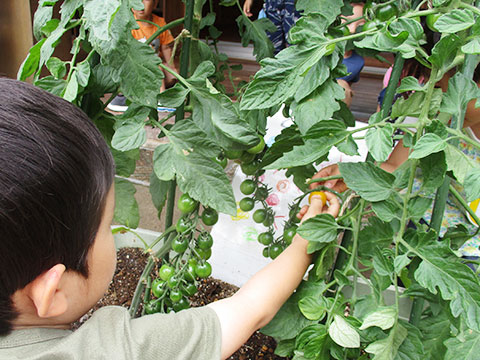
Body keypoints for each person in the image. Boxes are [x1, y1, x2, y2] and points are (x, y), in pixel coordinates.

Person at [0, 78, 340, 359]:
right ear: (53, 291)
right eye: (106, 228)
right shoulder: (115, 351)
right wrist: (305, 244)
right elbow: (248, 309)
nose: (113, 234)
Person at [310, 66, 480, 259]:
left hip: (471, 247)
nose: (448, 105)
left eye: (462, 94)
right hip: (425, 227)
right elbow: (395, 168)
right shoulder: (435, 122)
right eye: (440, 89)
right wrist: (352, 174)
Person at [108, 0, 177, 112]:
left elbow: (165, 47)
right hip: (136, 67)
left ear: (155, 4)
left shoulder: (159, 23)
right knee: (155, 66)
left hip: (155, 66)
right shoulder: (129, 23)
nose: (140, 5)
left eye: (145, 1)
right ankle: (161, 99)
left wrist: (171, 66)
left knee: (172, 76)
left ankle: (160, 93)